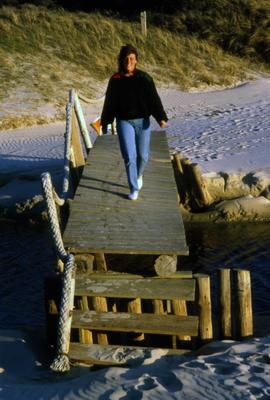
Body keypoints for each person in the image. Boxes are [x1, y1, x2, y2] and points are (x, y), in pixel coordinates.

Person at [101, 44, 168, 200]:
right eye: (126, 59)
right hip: (124, 122)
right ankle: (134, 188)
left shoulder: (144, 78)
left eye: (132, 58)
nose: (129, 61)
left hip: (143, 121)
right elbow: (109, 102)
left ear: (136, 60)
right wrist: (106, 122)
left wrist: (161, 117)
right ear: (121, 61)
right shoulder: (115, 80)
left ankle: (138, 175)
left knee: (143, 156)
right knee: (129, 156)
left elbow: (154, 99)